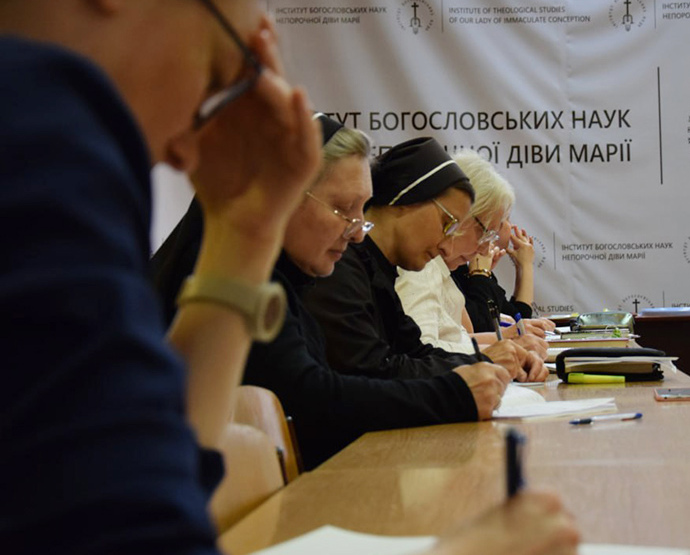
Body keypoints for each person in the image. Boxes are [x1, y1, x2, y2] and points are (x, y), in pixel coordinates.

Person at [0, 0, 583, 555]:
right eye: (223, 65)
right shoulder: (42, 135)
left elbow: (153, 490)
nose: (192, 140)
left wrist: (242, 234)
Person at [152, 117, 512, 470]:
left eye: (361, 210)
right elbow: (310, 400)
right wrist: (453, 394)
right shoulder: (232, 272)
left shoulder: (289, 277)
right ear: (285, 194)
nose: (358, 233)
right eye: (344, 209)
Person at [305, 137, 538, 382]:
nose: (446, 241)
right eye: (447, 223)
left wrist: (482, 364)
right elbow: (372, 372)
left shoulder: (376, 268)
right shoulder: (343, 268)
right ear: (406, 200)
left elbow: (413, 354)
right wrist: (470, 380)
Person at [395, 151, 548, 378]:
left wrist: (506, 347)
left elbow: (453, 340)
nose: (485, 249)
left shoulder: (440, 270)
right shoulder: (420, 269)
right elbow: (421, 354)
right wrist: (495, 352)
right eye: (485, 234)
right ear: (461, 216)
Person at [454, 220, 555, 337]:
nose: (512, 226)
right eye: (506, 219)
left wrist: (523, 266)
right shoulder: (467, 269)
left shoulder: (471, 268)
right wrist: (480, 275)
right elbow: (485, 328)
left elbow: (517, 319)